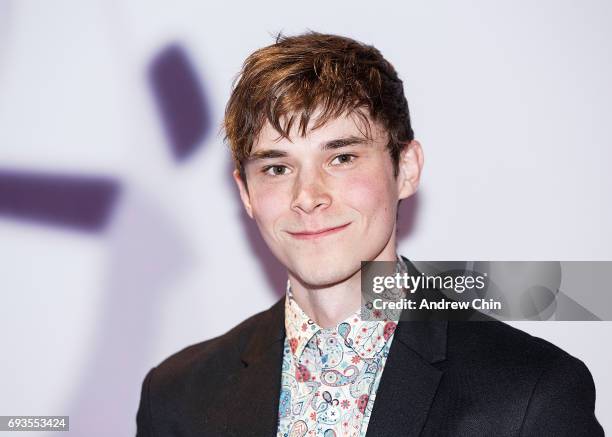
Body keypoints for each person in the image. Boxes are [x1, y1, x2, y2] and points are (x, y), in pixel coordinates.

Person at [136, 32, 603, 436]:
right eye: (277, 167)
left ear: (407, 168)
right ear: (246, 194)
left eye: (342, 158)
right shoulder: (176, 396)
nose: (308, 195)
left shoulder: (531, 393)